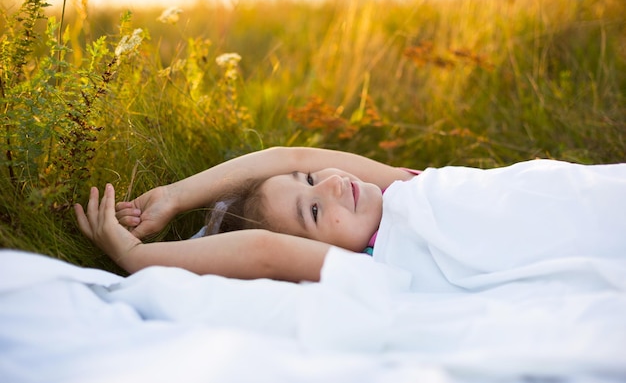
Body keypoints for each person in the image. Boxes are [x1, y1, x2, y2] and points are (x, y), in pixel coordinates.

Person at [75, 146, 626, 289]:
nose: (334, 184)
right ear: (324, 254)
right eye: (314, 211)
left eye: (315, 182)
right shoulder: (366, 262)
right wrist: (136, 256)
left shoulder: (401, 188)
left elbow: (288, 159)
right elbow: (265, 252)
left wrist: (175, 194)